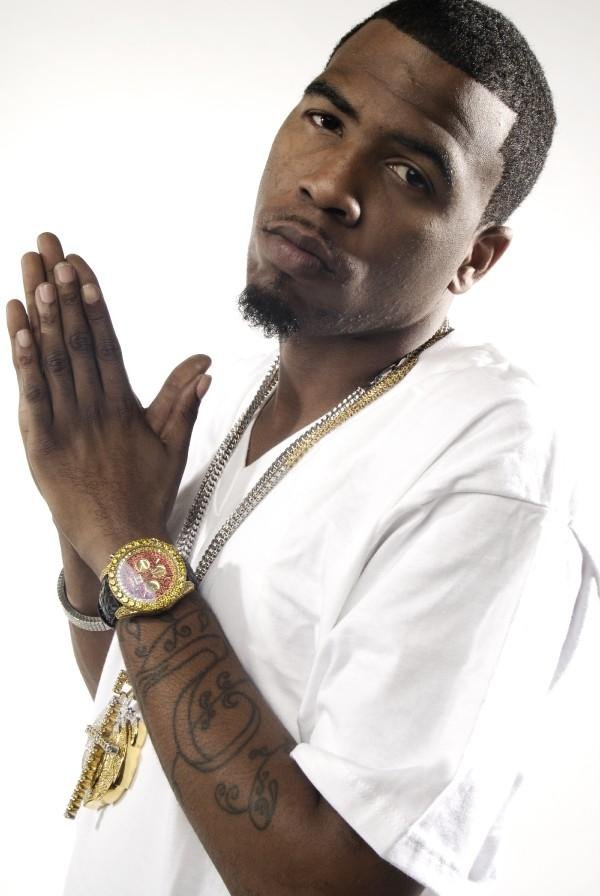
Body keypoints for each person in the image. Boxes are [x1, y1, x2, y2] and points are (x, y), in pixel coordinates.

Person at [6, 1, 597, 894]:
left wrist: (125, 535)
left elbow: (337, 880)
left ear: (475, 257)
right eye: (326, 119)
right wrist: (84, 517)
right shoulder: (235, 394)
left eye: (410, 172)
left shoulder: (489, 465)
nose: (330, 184)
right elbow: (140, 699)